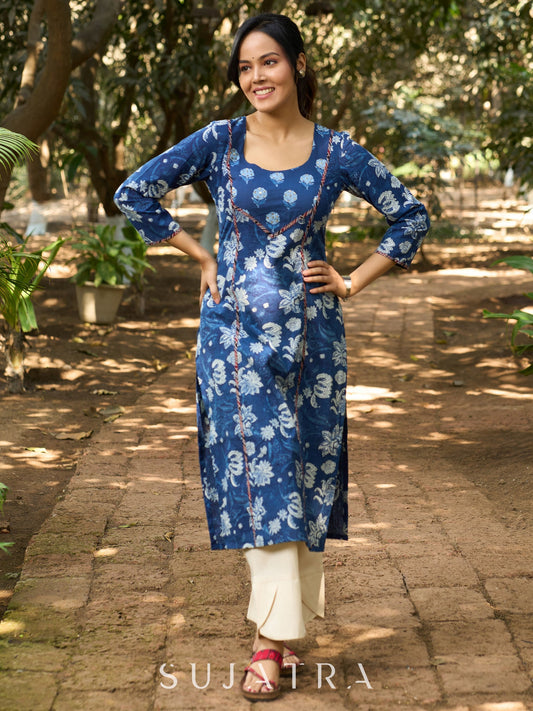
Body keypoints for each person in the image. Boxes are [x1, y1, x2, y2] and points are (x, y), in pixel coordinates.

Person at [114, 12, 429, 701]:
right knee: (262, 475)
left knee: (302, 472)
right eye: (245, 67)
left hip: (315, 340)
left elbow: (410, 215)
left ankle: (282, 628)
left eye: (269, 62)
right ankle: (269, 642)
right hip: (232, 339)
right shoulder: (221, 141)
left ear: (298, 64)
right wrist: (200, 255)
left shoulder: (336, 151)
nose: (256, 77)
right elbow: (133, 192)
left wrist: (352, 280)